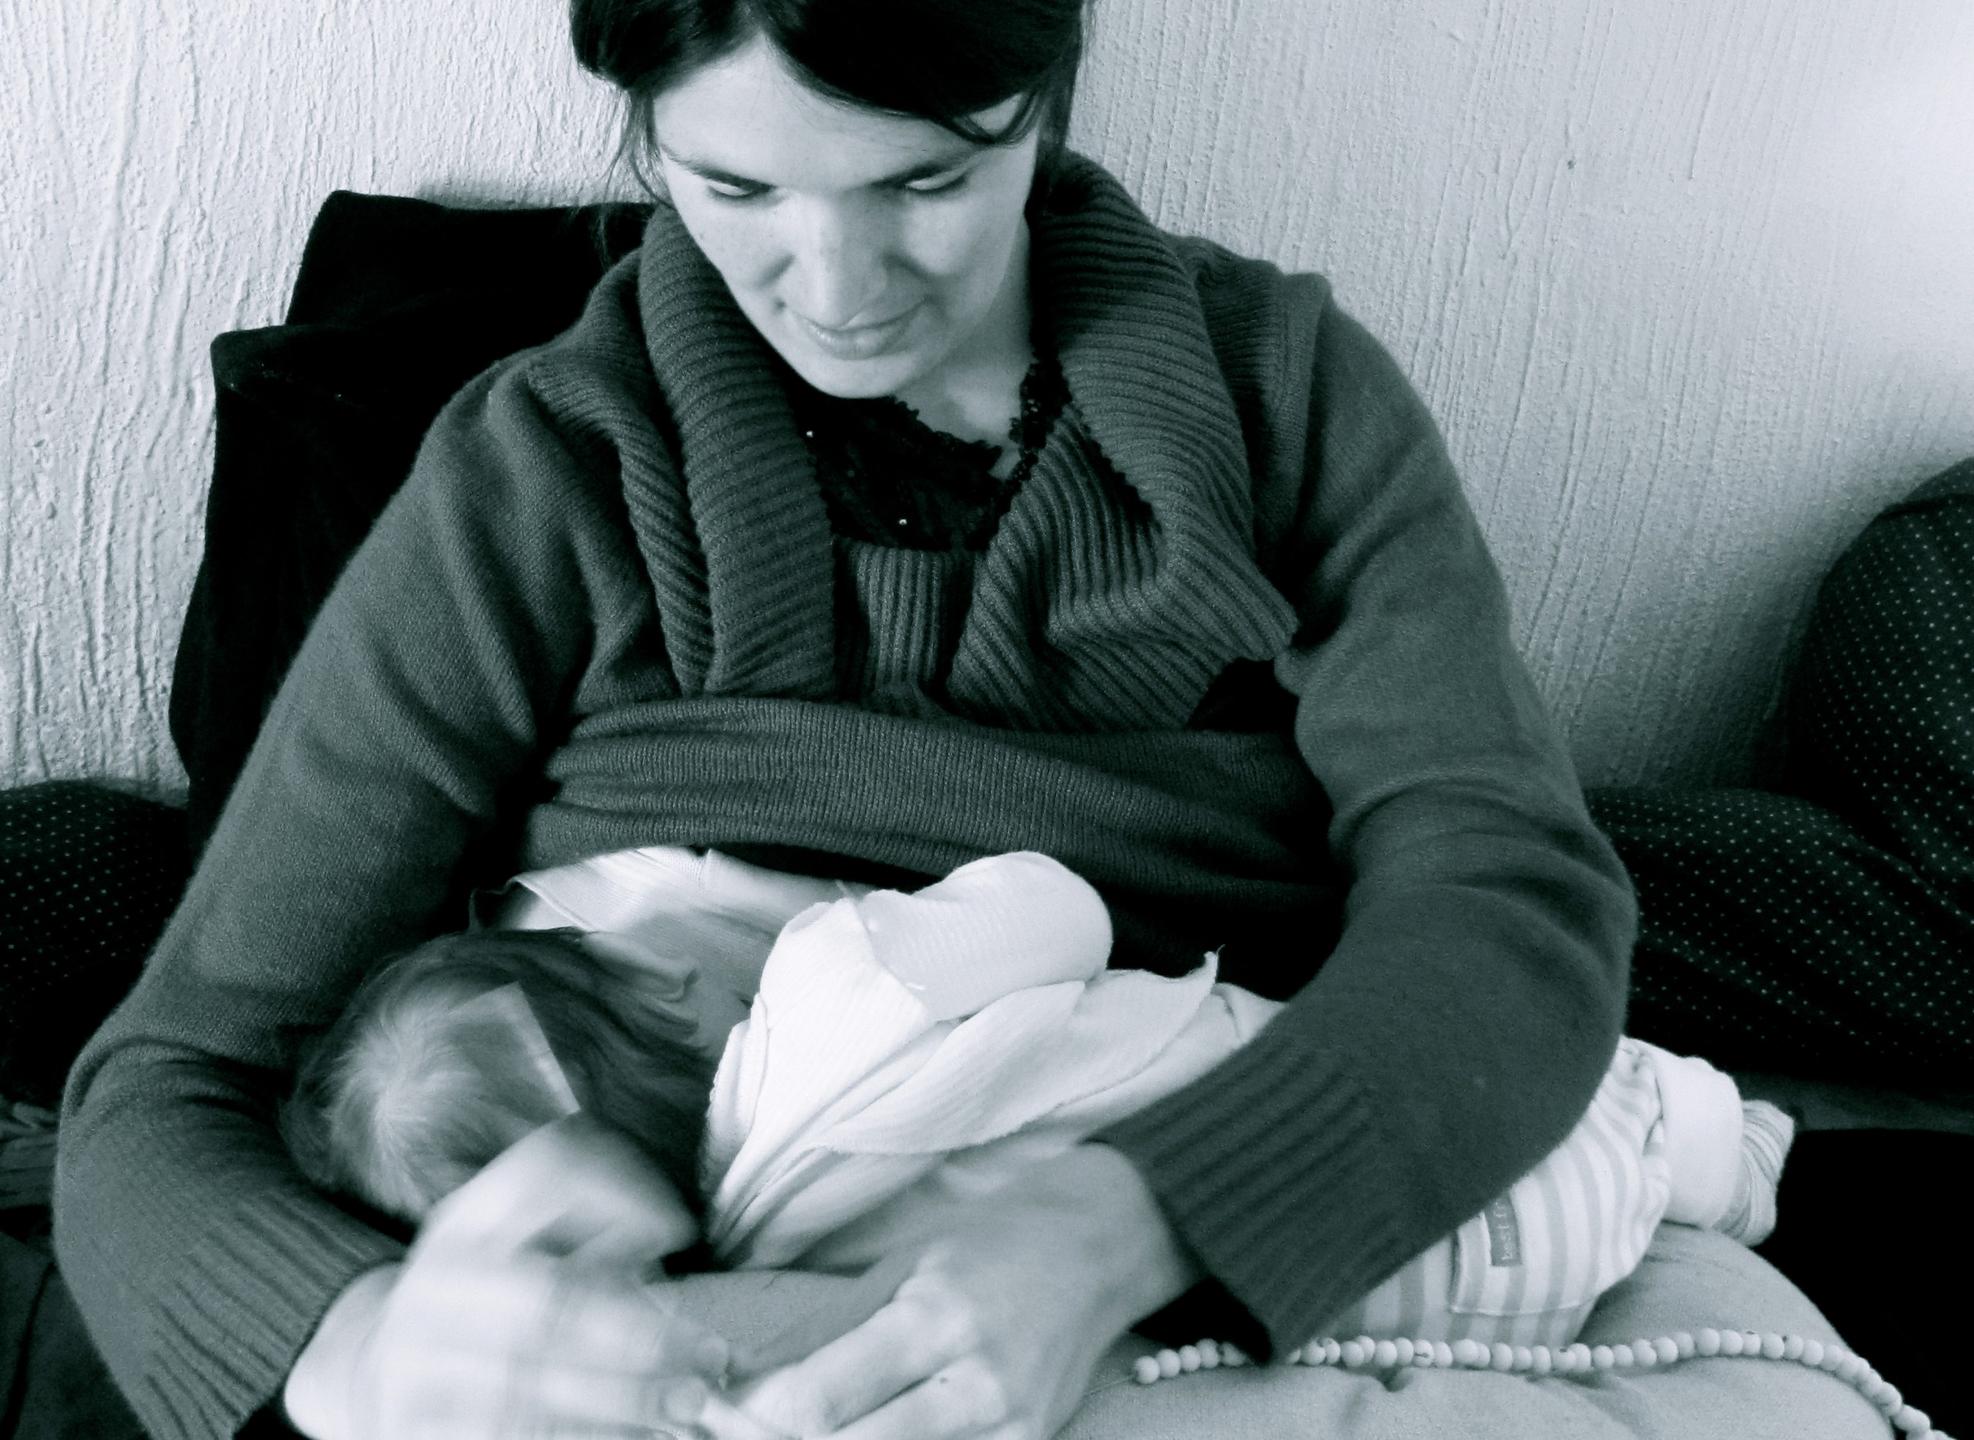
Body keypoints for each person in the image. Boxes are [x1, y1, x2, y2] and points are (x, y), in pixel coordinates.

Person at [53, 2, 1650, 1437]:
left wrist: (1126, 1224)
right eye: (735, 188)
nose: (837, 293)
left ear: (1047, 93)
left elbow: (1506, 893)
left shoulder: (1287, 394)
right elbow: (175, 1073)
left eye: (925, 181)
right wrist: (356, 1345)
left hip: (1224, 1169)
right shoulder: (544, 463)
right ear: (647, 139)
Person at [286, 851, 1793, 1373]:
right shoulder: (835, 976)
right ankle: (1738, 1160)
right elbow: (1054, 905)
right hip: (1428, 1146)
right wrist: (868, 913)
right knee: (1633, 1099)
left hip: (1403, 1315)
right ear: (660, 980)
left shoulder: (770, 1259)